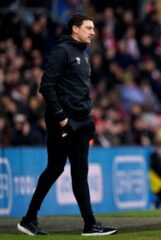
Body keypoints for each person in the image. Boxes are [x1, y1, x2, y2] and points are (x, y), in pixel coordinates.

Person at [17, 13, 117, 236]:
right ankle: (29, 218)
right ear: (75, 29)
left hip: (81, 123)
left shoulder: (83, 54)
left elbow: (78, 90)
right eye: (88, 27)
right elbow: (46, 86)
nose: (93, 31)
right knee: (55, 168)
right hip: (62, 122)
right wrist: (62, 117)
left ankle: (90, 224)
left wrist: (88, 117)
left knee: (79, 172)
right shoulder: (62, 51)